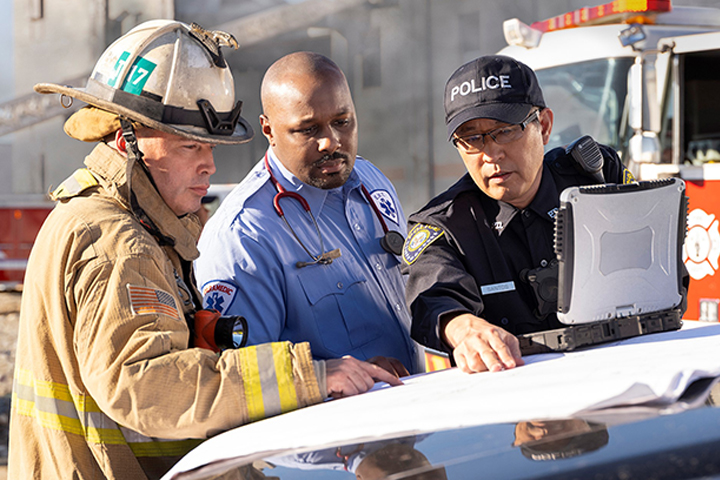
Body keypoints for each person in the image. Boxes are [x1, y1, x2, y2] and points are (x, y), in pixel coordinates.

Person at [8, 21, 399, 480]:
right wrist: (308, 375)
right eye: (190, 145)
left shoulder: (138, 226)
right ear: (126, 141)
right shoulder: (119, 243)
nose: (209, 164)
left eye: (211, 146)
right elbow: (145, 386)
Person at [402, 55, 635, 374]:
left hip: (620, 372)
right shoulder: (444, 226)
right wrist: (462, 328)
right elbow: (434, 298)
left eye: (505, 130)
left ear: (545, 126)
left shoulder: (595, 176)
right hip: (516, 389)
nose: (491, 153)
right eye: (471, 139)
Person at [195, 52, 420, 375]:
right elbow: (239, 377)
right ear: (268, 130)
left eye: (342, 122)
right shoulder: (243, 236)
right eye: (308, 129)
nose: (330, 141)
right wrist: (329, 375)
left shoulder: (372, 182)